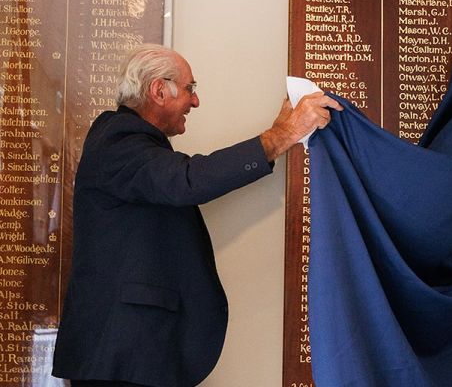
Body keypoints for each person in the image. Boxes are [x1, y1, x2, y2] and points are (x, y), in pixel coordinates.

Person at [52, 44, 343, 387]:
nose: (195, 101)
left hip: (134, 356)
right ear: (158, 90)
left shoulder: (131, 144)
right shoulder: (118, 138)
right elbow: (187, 180)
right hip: (123, 358)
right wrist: (280, 137)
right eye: (190, 88)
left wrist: (278, 133)